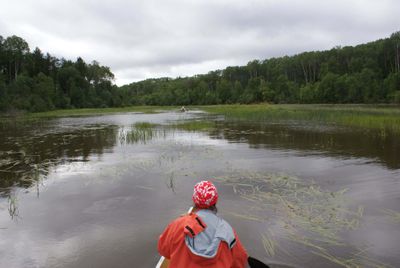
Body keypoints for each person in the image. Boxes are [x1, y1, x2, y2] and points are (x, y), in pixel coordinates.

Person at [158, 180, 248, 267]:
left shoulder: (178, 225)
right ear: (215, 201)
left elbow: (163, 250)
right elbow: (240, 262)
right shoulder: (227, 231)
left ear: (194, 200)